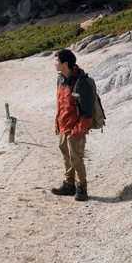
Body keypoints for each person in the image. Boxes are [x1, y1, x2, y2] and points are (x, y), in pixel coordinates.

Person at [50, 48, 94, 202]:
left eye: (56, 61)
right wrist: (57, 122)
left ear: (65, 63)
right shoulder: (60, 79)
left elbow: (88, 113)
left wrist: (77, 131)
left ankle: (82, 188)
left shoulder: (81, 83)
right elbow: (60, 104)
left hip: (75, 129)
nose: (54, 64)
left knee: (76, 158)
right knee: (66, 156)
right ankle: (69, 185)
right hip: (63, 126)